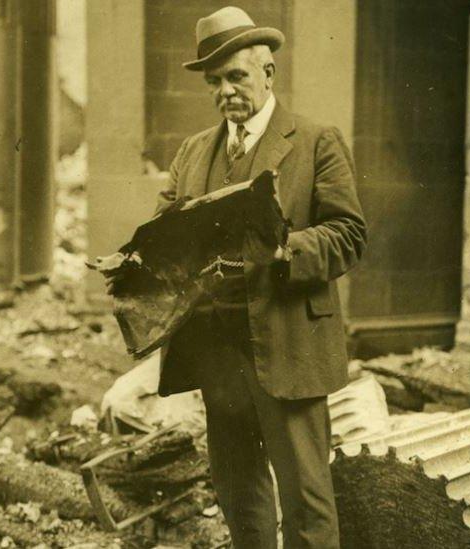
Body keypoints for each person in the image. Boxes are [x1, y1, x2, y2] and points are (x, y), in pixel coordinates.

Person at [109, 7, 366, 548]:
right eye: (214, 83)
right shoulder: (194, 152)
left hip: (289, 344)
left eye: (236, 77)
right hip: (218, 351)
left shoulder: (316, 142)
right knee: (239, 493)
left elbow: (349, 234)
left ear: (267, 73)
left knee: (307, 500)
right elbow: (162, 231)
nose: (226, 92)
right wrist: (134, 262)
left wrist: (285, 248)